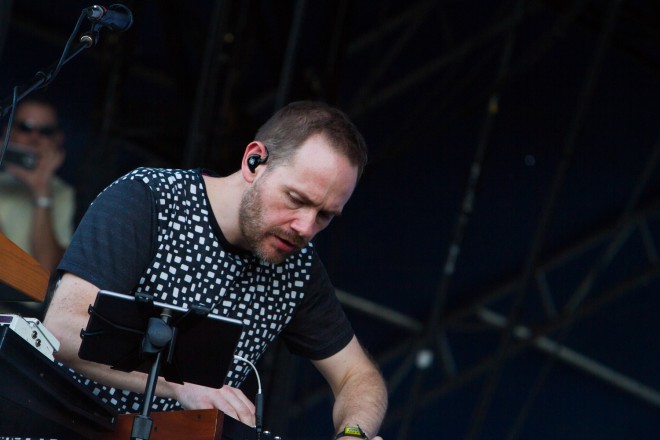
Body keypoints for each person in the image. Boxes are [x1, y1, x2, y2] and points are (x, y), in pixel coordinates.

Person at [44, 101, 388, 439]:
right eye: (297, 199)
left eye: (325, 215)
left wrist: (354, 433)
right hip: (61, 424)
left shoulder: (298, 267)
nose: (306, 227)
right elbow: (61, 329)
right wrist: (181, 385)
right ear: (254, 162)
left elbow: (358, 376)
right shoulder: (150, 198)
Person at [0, 95, 75, 274]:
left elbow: (47, 270)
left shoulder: (62, 192)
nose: (34, 138)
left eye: (45, 131)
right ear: (7, 132)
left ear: (58, 139)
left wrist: (42, 192)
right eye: (25, 128)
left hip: (22, 300)